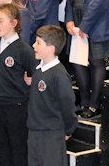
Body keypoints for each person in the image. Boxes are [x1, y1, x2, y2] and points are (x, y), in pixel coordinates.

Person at [0, 4, 36, 166]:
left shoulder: (23, 50)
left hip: (16, 107)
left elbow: (35, 73)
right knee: (1, 148)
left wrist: (30, 80)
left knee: (18, 149)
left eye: (1, 21)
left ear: (14, 23)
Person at [27, 25, 77, 166]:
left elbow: (67, 104)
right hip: (34, 133)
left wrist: (69, 128)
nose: (33, 45)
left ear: (51, 48)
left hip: (51, 135)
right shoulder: (38, 70)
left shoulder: (59, 75)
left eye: (38, 43)